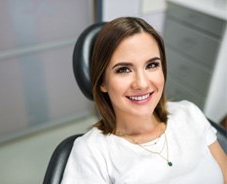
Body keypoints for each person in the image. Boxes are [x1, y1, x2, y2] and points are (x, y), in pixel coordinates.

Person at [61, 17, 227, 183]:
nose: (142, 83)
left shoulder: (189, 113)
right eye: (124, 69)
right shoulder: (91, 152)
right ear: (103, 81)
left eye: (152, 65)